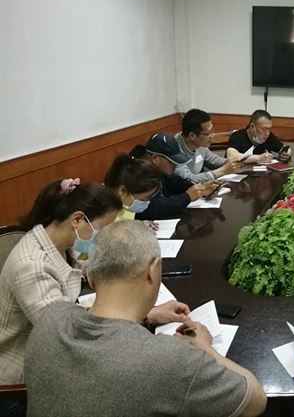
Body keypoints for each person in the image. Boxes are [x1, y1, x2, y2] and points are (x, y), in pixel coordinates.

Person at [25, 220, 267, 417]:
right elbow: (256, 401)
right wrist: (205, 348)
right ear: (153, 270)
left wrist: (148, 316)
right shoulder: (169, 359)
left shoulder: (50, 319)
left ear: (90, 277)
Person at [130, 132, 218, 220]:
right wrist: (187, 197)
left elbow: (174, 182)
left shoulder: (157, 168)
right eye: (172, 161)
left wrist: (200, 189)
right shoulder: (134, 173)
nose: (176, 165)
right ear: (155, 158)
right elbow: (149, 209)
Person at [174, 109, 245, 183]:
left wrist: (233, 162)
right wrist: (224, 170)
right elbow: (189, 180)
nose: (212, 135)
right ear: (192, 136)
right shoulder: (174, 150)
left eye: (212, 130)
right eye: (209, 132)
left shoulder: (200, 144)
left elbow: (215, 160)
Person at [103, 153, 162, 222]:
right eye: (142, 200)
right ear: (122, 191)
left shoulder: (123, 204)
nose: (146, 204)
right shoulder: (100, 213)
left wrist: (139, 223)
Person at [226, 109, 291, 163]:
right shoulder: (238, 136)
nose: (267, 133)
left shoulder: (269, 136)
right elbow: (231, 157)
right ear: (252, 127)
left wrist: (285, 154)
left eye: (269, 129)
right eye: (264, 129)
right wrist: (258, 158)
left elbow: (286, 149)